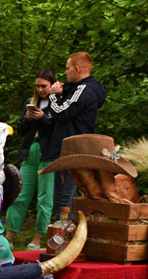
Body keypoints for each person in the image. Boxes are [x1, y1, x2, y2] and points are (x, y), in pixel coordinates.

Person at [39, 52, 106, 218]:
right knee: (64, 198)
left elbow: (62, 113)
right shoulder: (77, 89)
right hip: (67, 149)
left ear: (77, 69)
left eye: (67, 69)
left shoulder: (84, 90)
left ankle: (65, 237)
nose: (65, 72)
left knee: (64, 200)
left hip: (73, 150)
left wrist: (54, 95)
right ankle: (65, 235)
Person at [4, 69, 57, 250]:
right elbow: (20, 130)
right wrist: (27, 119)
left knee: (45, 198)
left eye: (44, 86)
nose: (41, 89)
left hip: (49, 153)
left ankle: (37, 238)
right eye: (37, 86)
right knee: (20, 194)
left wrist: (42, 118)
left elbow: (56, 130)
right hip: (30, 151)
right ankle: (9, 235)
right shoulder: (30, 102)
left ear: (52, 85)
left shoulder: (58, 103)